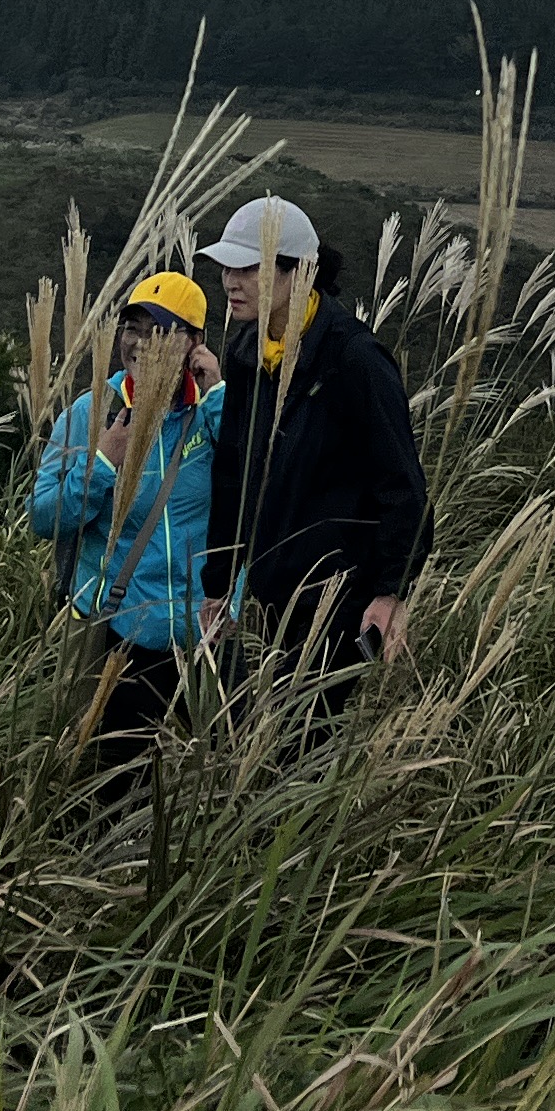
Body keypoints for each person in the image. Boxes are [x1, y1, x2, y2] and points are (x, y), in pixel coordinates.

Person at [198, 195, 429, 744]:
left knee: (303, 749)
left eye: (248, 267)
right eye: (228, 266)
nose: (230, 279)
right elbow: (231, 475)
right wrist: (218, 584)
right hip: (264, 595)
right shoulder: (247, 353)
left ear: (297, 272)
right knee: (247, 736)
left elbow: (403, 487)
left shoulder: (354, 359)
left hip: (333, 600)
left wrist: (390, 591)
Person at [27, 271, 223, 776]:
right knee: (118, 775)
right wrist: (104, 467)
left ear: (194, 343)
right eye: (130, 326)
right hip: (119, 630)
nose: (137, 341)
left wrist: (219, 394)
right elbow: (44, 516)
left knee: (222, 763)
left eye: (158, 330)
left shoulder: (210, 412)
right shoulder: (94, 411)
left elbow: (251, 495)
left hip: (204, 631)